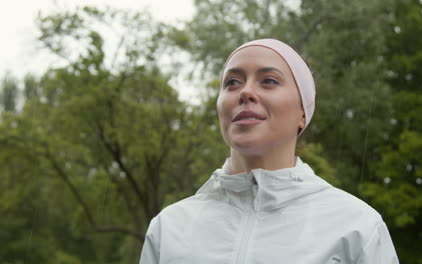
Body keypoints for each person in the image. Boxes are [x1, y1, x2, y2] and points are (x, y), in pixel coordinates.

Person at [139, 39, 399, 264]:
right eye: (232, 82)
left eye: (269, 81)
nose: (246, 92)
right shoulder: (169, 228)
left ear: (302, 112)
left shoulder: (356, 227)